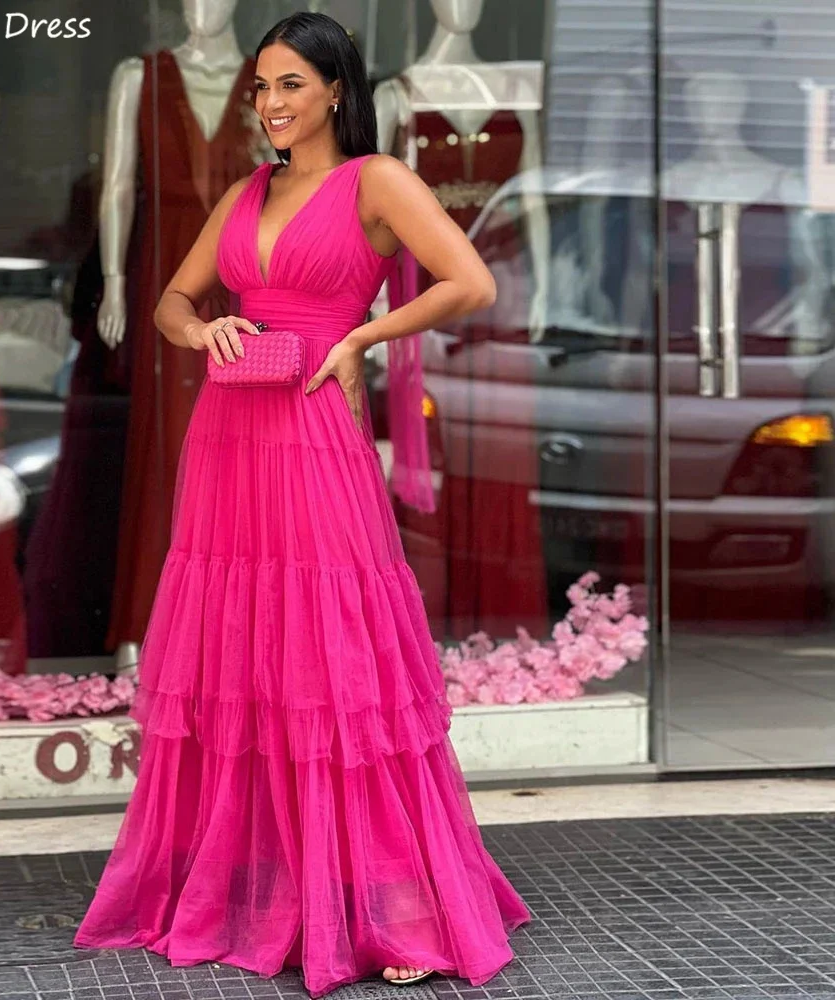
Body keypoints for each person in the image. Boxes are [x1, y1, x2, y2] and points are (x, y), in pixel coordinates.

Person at [73, 12, 530, 996]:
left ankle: (390, 903)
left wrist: (360, 338)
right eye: (261, 89)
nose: (271, 104)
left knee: (334, 658)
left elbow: (470, 280)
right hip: (229, 441)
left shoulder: (377, 181)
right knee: (246, 656)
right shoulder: (247, 189)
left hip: (315, 433)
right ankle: (258, 886)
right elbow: (169, 303)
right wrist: (207, 334)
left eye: (289, 85)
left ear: (334, 90)